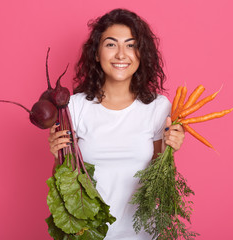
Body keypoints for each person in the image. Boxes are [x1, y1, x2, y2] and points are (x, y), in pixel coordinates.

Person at [48, 8, 185, 240]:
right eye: (111, 44)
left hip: (143, 234)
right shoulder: (74, 107)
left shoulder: (158, 107)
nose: (121, 54)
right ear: (96, 53)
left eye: (131, 45)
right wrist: (56, 154)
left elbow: (161, 178)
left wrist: (172, 147)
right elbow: (64, 182)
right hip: (89, 233)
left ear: (141, 54)